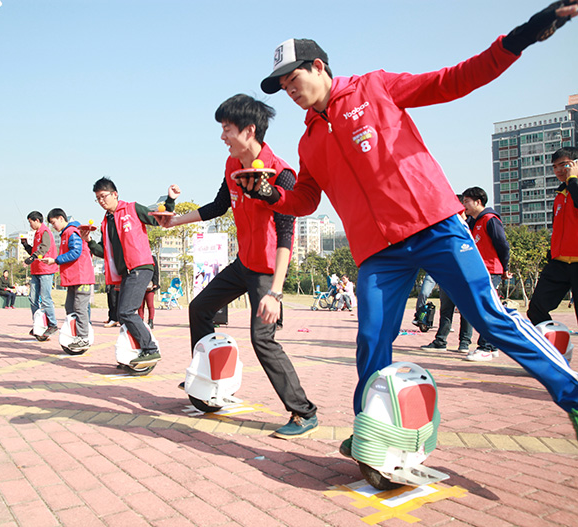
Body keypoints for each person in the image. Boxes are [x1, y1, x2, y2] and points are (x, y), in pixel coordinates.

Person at [245, 1, 578, 451]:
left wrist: (523, 35)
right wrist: (270, 195)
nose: (289, 90)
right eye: (282, 87)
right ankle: (372, 431)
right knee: (371, 341)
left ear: (318, 66)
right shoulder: (308, 141)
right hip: (377, 254)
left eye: (293, 79)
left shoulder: (374, 88)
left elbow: (453, 80)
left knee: (489, 318)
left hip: (434, 226)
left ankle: (572, 395)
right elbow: (305, 199)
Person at [158, 94, 319, 438]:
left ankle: (303, 412)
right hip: (243, 263)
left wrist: (275, 293)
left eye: (226, 129)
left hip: (266, 271)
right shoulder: (233, 166)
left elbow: (286, 236)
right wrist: (175, 222)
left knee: (263, 340)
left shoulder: (282, 175)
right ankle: (207, 383)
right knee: (199, 307)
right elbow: (218, 205)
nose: (222, 137)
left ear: (249, 130)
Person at [84, 177, 179, 365]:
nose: (102, 201)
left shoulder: (132, 208)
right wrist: (88, 241)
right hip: (126, 272)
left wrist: (170, 200)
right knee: (123, 313)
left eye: (104, 196)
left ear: (114, 194)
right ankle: (135, 349)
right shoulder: (106, 222)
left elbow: (160, 219)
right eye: (98, 198)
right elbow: (103, 250)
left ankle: (150, 349)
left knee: (126, 311)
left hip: (140, 266)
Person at [528, 147, 578, 327]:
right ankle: (555, 349)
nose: (558, 171)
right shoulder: (560, 195)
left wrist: (573, 178)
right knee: (536, 308)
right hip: (560, 263)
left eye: (563, 165)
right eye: (554, 166)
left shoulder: (573, 188)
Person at [462, 186, 512, 361]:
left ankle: (487, 347)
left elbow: (503, 245)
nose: (464, 205)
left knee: (487, 308)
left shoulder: (490, 219)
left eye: (467, 201)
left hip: (491, 270)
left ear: (478, 202)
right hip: (479, 271)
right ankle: (491, 345)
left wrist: (505, 268)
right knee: (480, 308)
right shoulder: (472, 222)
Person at [46, 208, 95, 351]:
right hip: (74, 278)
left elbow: (76, 252)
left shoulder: (72, 232)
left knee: (80, 308)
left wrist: (56, 260)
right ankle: (76, 334)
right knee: (70, 307)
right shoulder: (66, 233)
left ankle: (83, 337)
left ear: (61, 218)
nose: (53, 226)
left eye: (54, 222)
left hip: (82, 277)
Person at [22, 211, 59, 340]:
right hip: (36, 270)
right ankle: (38, 323)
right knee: (32, 299)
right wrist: (26, 245)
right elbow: (35, 251)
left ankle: (52, 323)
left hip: (46, 270)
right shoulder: (37, 233)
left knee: (45, 298)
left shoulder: (45, 232)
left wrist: (30, 259)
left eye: (30, 222)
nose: (30, 224)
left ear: (37, 220)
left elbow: (44, 248)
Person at [138, 255, 159, 329]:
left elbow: (156, 271)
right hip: (140, 284)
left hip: (150, 285)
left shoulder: (152, 258)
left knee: (150, 305)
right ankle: (140, 321)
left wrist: (155, 283)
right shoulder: (138, 257)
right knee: (140, 305)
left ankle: (150, 321)